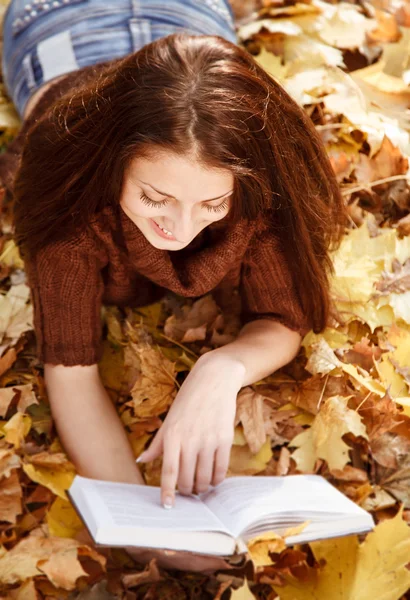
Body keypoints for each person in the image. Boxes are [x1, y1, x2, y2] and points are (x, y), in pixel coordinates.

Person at [0, 0, 346, 570]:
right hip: (58, 20)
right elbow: (72, 371)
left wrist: (222, 370)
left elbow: (284, 315)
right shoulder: (71, 204)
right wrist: (148, 528)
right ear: (115, 170)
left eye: (211, 204)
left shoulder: (253, 178)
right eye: (154, 200)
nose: (180, 229)